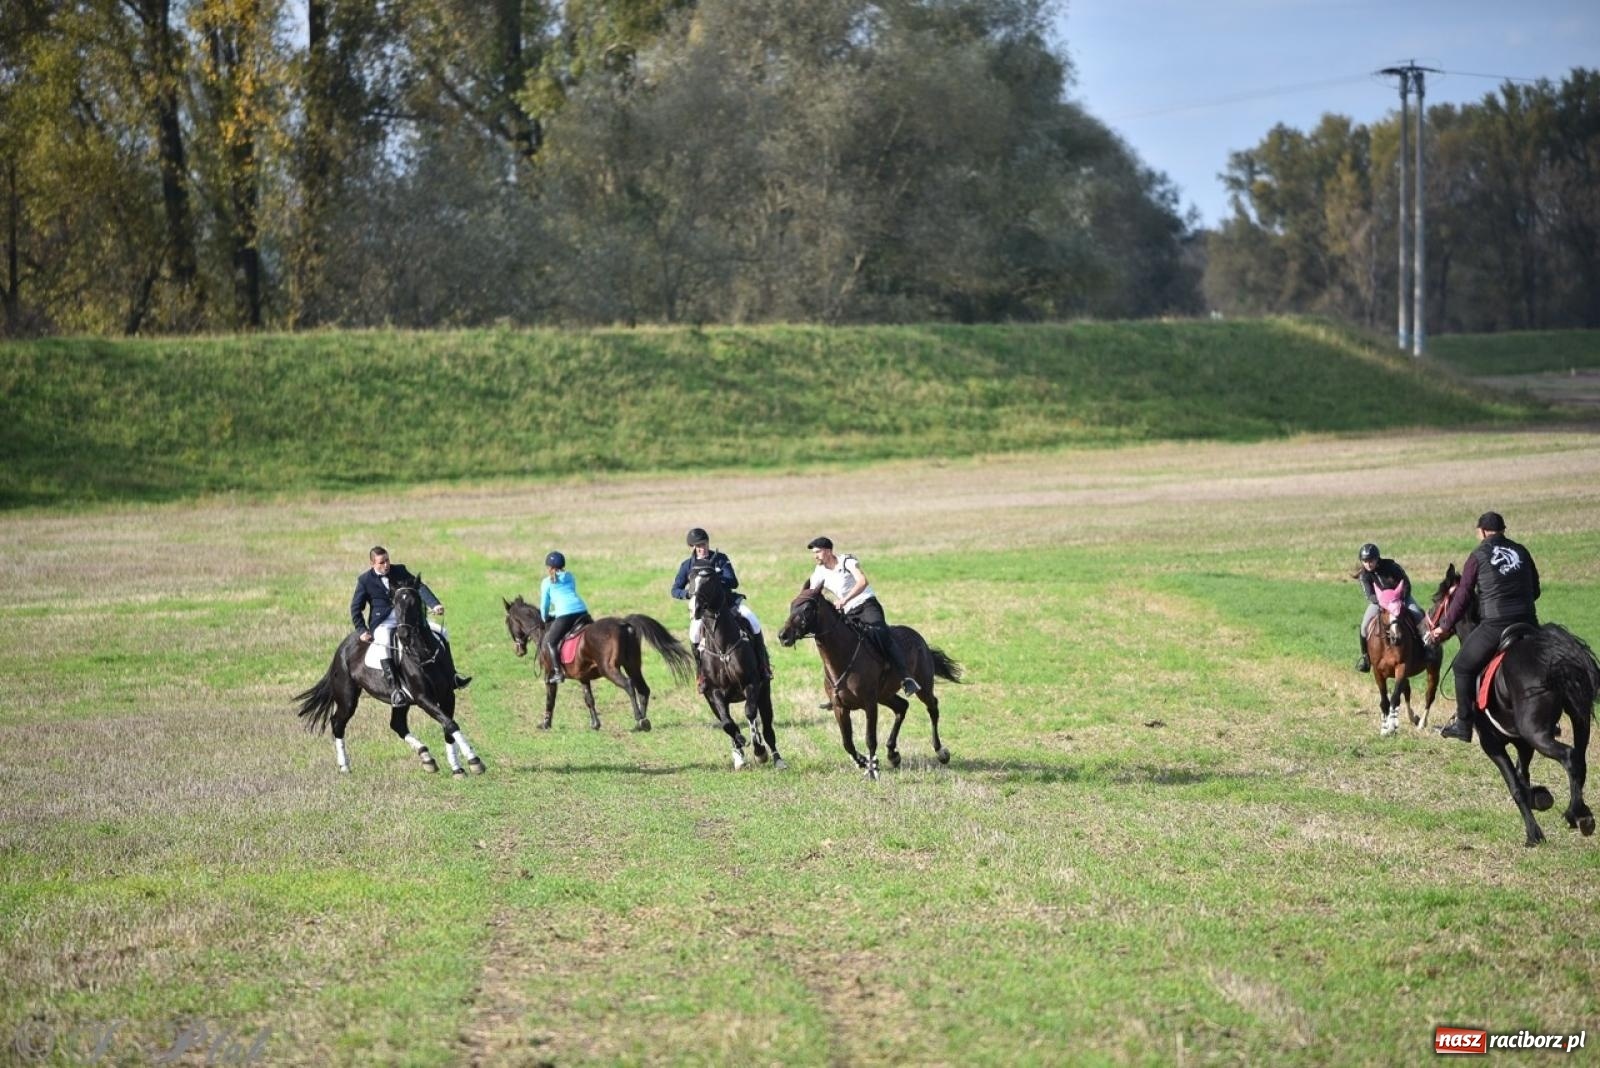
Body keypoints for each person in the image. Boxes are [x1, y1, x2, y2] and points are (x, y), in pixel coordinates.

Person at [1427, 511, 1541, 742]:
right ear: (1503, 530)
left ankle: (1463, 725)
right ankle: (1550, 721)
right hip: (1528, 622)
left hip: (1496, 624)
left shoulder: (1478, 555)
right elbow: (1535, 590)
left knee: (1462, 667)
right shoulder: (1521, 551)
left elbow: (1463, 596)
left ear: (1482, 531)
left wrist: (1445, 626)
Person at [352, 546, 470, 707]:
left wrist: (434, 604)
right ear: (372, 563)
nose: (386, 565)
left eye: (387, 560)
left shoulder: (400, 570)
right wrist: (362, 630)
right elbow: (355, 608)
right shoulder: (364, 580)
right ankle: (395, 689)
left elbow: (419, 586)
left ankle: (452, 676)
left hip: (406, 617)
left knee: (442, 631)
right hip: (383, 622)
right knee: (385, 642)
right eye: (381, 562)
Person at [803, 536, 919, 697]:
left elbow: (863, 581)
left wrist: (844, 599)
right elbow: (811, 593)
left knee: (881, 634)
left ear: (828, 551)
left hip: (866, 605)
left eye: (818, 552)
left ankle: (906, 677)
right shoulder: (819, 572)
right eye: (814, 553)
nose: (815, 556)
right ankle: (838, 689)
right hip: (848, 611)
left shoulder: (846, 561)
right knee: (840, 642)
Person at [670, 527, 771, 692]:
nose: (702, 548)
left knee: (753, 620)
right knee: (694, 634)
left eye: (704, 544)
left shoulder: (720, 559)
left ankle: (763, 665)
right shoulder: (687, 565)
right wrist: (688, 593)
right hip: (704, 610)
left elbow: (733, 581)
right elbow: (675, 590)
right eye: (699, 546)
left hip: (728, 604)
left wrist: (715, 579)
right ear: (692, 547)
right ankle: (701, 674)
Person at [1353, 542, 1429, 672]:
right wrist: (1384, 602)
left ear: (1377, 558)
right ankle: (1366, 658)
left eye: (1371, 561)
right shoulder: (1363, 575)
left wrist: (1400, 599)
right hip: (1380, 603)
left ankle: (1428, 650)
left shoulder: (1391, 566)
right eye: (1365, 561)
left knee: (1417, 615)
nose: (1368, 564)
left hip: (1401, 598)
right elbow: (1369, 595)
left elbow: (1406, 583)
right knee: (1364, 626)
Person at [539, 551, 592, 685]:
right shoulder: (570, 576)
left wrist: (545, 618)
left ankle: (558, 673)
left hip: (565, 615)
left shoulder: (546, 582)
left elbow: (544, 605)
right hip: (582, 611)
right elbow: (569, 595)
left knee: (551, 642)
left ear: (549, 567)